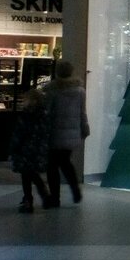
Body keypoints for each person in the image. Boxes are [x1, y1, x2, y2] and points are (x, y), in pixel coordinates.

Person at [46, 61, 89, 205]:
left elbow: (47, 112)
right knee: (65, 162)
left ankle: (55, 197)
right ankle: (75, 189)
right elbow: (82, 113)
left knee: (52, 165)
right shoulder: (80, 91)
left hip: (54, 132)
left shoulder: (52, 90)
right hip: (72, 133)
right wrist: (84, 128)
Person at [9, 88, 51, 213]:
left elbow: (20, 133)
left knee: (26, 175)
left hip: (25, 149)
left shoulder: (26, 114)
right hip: (39, 148)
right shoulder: (44, 114)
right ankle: (44, 194)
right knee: (32, 173)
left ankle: (28, 201)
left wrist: (13, 147)